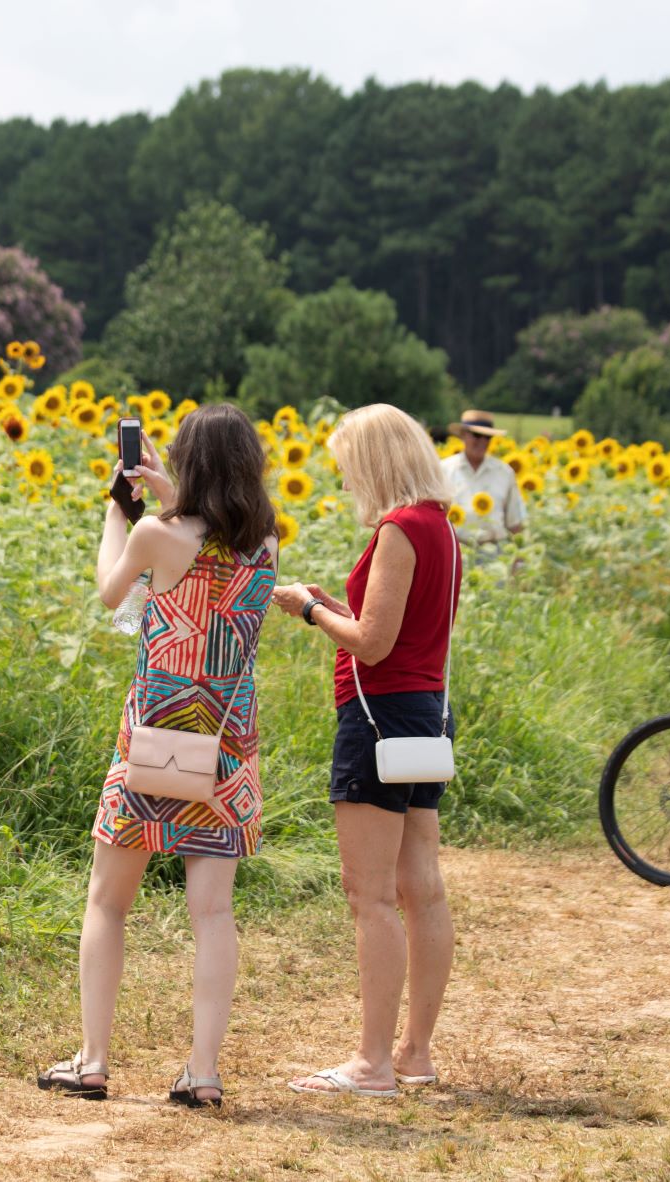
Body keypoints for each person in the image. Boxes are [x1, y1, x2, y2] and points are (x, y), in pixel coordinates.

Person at [37, 404, 277, 1108]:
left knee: (108, 903)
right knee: (212, 913)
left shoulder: (154, 535)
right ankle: (202, 1072)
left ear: (186, 462)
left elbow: (111, 587)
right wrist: (172, 502)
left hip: (153, 738)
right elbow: (211, 546)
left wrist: (120, 509)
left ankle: (92, 1061)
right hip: (225, 746)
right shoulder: (263, 544)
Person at [270, 404, 461, 1097]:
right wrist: (333, 604)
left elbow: (373, 644)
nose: (347, 479)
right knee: (422, 888)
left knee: (370, 895)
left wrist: (310, 610)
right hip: (425, 713)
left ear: (374, 462)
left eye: (351, 465)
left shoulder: (396, 529)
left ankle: (371, 1062)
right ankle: (413, 1053)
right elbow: (405, 632)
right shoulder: (439, 526)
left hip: (376, 718)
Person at [441, 410, 524, 548]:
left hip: (493, 552)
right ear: (463, 435)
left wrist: (518, 558)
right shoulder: (444, 470)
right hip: (454, 550)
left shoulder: (504, 472)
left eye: (487, 437)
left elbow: (514, 522)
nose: (483, 441)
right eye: (477, 435)